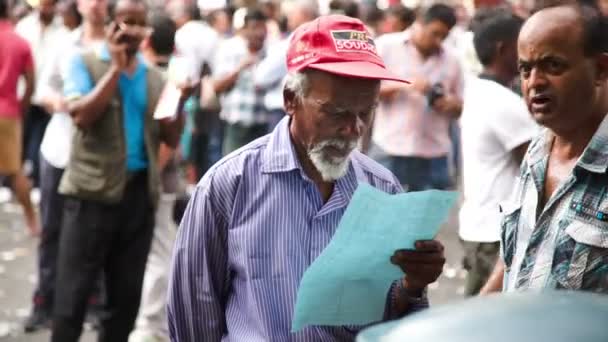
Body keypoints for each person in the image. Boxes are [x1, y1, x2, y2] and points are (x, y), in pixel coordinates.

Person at [167, 15, 446, 341]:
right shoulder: (228, 186)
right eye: (337, 112)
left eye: (366, 112)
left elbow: (389, 318)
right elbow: (192, 318)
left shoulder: (383, 190)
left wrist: (412, 284)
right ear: (290, 99)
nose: (353, 129)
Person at [51, 0, 186, 340]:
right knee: (72, 300)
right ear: (112, 24)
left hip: (137, 198)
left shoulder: (155, 77)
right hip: (90, 196)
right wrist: (115, 67)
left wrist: (180, 103)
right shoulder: (83, 62)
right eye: (126, 22)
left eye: (139, 24)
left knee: (125, 302)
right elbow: (81, 116)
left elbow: (169, 135)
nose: (132, 30)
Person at [482, 2, 608, 294]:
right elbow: (515, 258)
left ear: (600, 69)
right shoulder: (538, 148)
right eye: (525, 69)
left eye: (553, 65)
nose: (534, 83)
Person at [23, 0, 108, 331]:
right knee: (52, 231)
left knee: (96, 233)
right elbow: (42, 90)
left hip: (98, 157)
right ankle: (44, 301)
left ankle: (92, 303)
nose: (97, 5)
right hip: (60, 151)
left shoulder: (115, 48)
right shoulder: (65, 43)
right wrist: (61, 103)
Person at [458, 9, 538, 296]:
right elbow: (537, 166)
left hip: (480, 225)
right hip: (495, 232)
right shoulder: (502, 102)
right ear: (504, 48)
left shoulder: (479, 90)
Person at [369, 4, 464, 191]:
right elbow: (366, 90)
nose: (438, 41)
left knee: (426, 219)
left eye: (444, 36)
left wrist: (449, 104)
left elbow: (462, 106)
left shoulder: (452, 60)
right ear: (419, 23)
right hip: (390, 148)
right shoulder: (386, 46)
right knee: (380, 215)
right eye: (434, 33)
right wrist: (405, 85)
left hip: (433, 154)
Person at [129, 12, 180, 342]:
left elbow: (168, 144)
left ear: (146, 41)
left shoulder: (163, 81)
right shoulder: (159, 77)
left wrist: (150, 176)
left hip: (156, 181)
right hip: (150, 180)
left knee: (159, 251)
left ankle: (151, 326)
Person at [16, 0, 69, 186]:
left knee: (41, 141)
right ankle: (12, 182)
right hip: (24, 94)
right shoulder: (24, 27)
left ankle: (37, 180)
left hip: (46, 97)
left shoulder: (63, 31)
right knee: (20, 138)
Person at [0, 0, 38, 236]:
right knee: (15, 171)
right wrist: (21, 106)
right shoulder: (19, 41)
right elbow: (31, 82)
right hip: (8, 112)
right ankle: (32, 222)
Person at [253, 0, 319, 131]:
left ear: (303, 14)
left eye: (291, 13)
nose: (287, 17)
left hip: (283, 113)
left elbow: (262, 76)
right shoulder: (320, 38)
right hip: (304, 111)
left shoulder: (296, 41)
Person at [213, 7, 269, 155]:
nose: (259, 33)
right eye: (254, 28)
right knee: (232, 174)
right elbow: (217, 87)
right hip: (236, 124)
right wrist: (240, 68)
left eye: (263, 28)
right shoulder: (230, 49)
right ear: (244, 30)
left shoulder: (270, 52)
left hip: (263, 126)